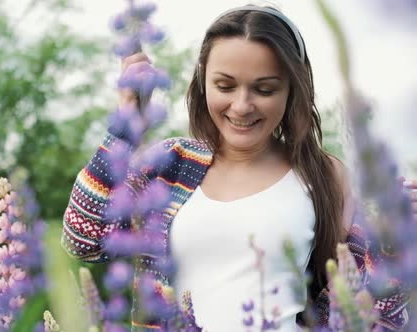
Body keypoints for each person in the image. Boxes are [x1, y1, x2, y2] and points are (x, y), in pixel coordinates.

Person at [62, 4, 414, 331]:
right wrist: (123, 127)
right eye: (225, 85)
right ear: (203, 82)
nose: (242, 106)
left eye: (264, 89)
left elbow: (371, 316)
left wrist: (395, 241)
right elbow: (82, 239)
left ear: (293, 89)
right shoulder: (169, 163)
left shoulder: (325, 175)